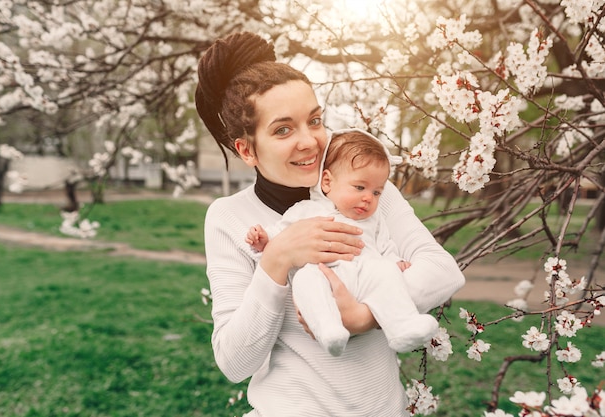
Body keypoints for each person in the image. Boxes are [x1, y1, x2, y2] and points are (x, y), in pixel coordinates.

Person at [195, 31, 465, 417]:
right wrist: (277, 258)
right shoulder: (229, 217)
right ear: (247, 149)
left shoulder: (360, 189)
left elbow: (442, 271)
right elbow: (235, 363)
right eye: (283, 129)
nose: (311, 141)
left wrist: (365, 316)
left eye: (315, 120)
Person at [245, 129, 438, 357]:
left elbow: (385, 247)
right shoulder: (306, 210)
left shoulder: (374, 220)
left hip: (365, 275)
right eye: (359, 187)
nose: (368, 198)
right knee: (306, 281)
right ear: (327, 181)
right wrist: (264, 241)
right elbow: (281, 239)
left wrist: (396, 263)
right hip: (324, 274)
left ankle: (403, 327)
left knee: (387, 273)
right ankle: (328, 328)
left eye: (377, 192)